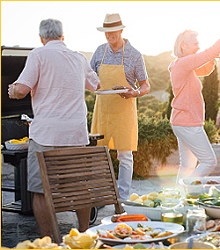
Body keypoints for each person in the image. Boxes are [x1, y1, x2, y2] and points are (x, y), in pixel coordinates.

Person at [8, 18, 100, 237]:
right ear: (63, 37)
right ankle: (85, 235)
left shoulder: (38, 54)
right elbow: (96, 85)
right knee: (80, 187)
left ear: (41, 38)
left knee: (40, 192)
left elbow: (21, 90)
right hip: (76, 135)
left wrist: (11, 90)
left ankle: (49, 241)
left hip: (47, 135)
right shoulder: (78, 57)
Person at [169, 17, 220, 183]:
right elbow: (210, 51)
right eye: (195, 43)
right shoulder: (183, 63)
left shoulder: (183, 65)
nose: (198, 46)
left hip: (182, 121)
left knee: (187, 166)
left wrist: (212, 58)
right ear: (183, 45)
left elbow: (204, 69)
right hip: (188, 123)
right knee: (209, 161)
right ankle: (187, 188)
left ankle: (177, 198)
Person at [90, 13, 150, 200]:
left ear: (121, 30)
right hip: (102, 110)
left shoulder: (134, 54)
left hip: (124, 110)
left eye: (113, 31)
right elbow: (89, 77)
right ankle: (100, 196)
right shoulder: (100, 51)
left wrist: (135, 92)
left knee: (125, 155)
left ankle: (122, 197)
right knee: (99, 155)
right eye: (106, 31)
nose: (109, 35)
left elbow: (146, 86)